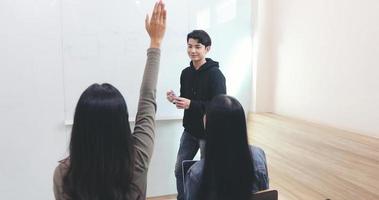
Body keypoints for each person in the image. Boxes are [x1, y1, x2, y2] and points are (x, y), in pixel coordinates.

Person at [53, 2, 166, 200]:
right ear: (122, 124)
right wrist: (155, 42)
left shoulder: (64, 175)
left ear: (80, 126)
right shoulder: (137, 161)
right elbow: (148, 98)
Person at [166, 30, 226, 200]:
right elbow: (187, 101)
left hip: (209, 133)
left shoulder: (216, 75)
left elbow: (219, 105)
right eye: (190, 46)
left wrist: (191, 104)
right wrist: (175, 99)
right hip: (190, 131)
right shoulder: (185, 73)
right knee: (180, 170)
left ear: (207, 49)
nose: (192, 50)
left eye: (197, 47)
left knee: (207, 174)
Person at [184, 95, 269, 200]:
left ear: (210, 126)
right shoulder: (259, 156)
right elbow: (264, 195)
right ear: (241, 124)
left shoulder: (196, 174)